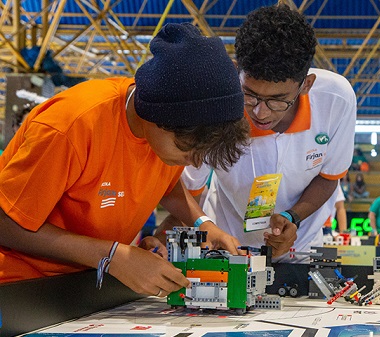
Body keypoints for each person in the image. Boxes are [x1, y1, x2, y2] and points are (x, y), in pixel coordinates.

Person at [0, 23, 250, 297]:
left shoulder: (172, 135)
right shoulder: (72, 126)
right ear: (153, 116)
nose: (191, 163)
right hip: (19, 288)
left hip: (90, 285)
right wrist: (114, 256)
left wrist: (203, 224)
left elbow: (168, 186)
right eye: (188, 151)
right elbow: (6, 224)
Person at [157, 5, 357, 262]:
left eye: (277, 100)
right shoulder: (215, 104)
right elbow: (189, 189)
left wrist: (291, 217)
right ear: (235, 70)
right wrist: (190, 228)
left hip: (300, 247)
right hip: (226, 246)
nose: (260, 112)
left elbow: (329, 177)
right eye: (250, 94)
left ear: (305, 85)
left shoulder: (335, 100)